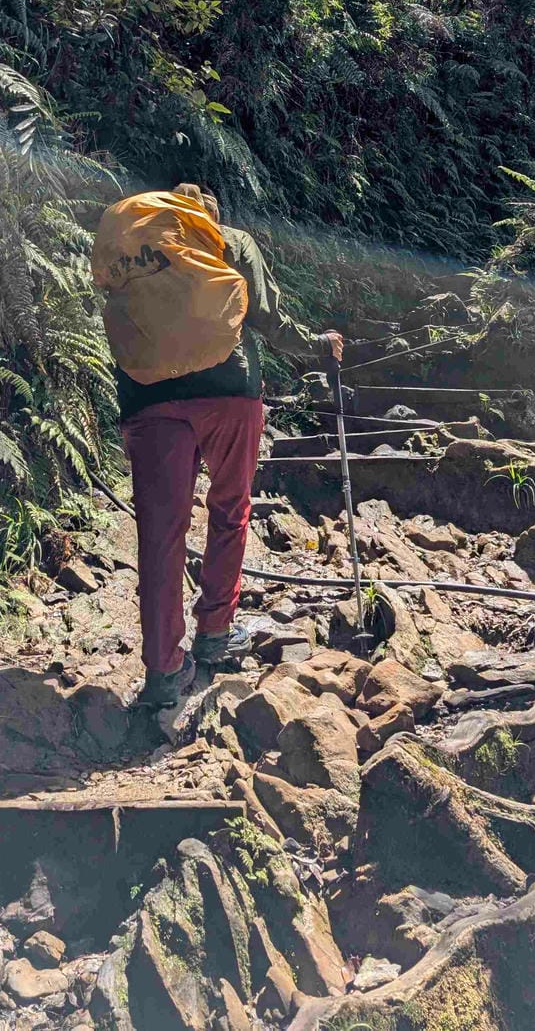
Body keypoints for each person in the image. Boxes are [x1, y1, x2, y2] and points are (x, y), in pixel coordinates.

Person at [117, 184, 343, 709]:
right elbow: (265, 318)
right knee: (229, 510)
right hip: (229, 394)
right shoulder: (232, 241)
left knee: (160, 531)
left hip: (149, 400)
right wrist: (319, 347)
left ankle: (162, 670)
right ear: (208, 218)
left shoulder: (137, 251)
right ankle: (215, 632)